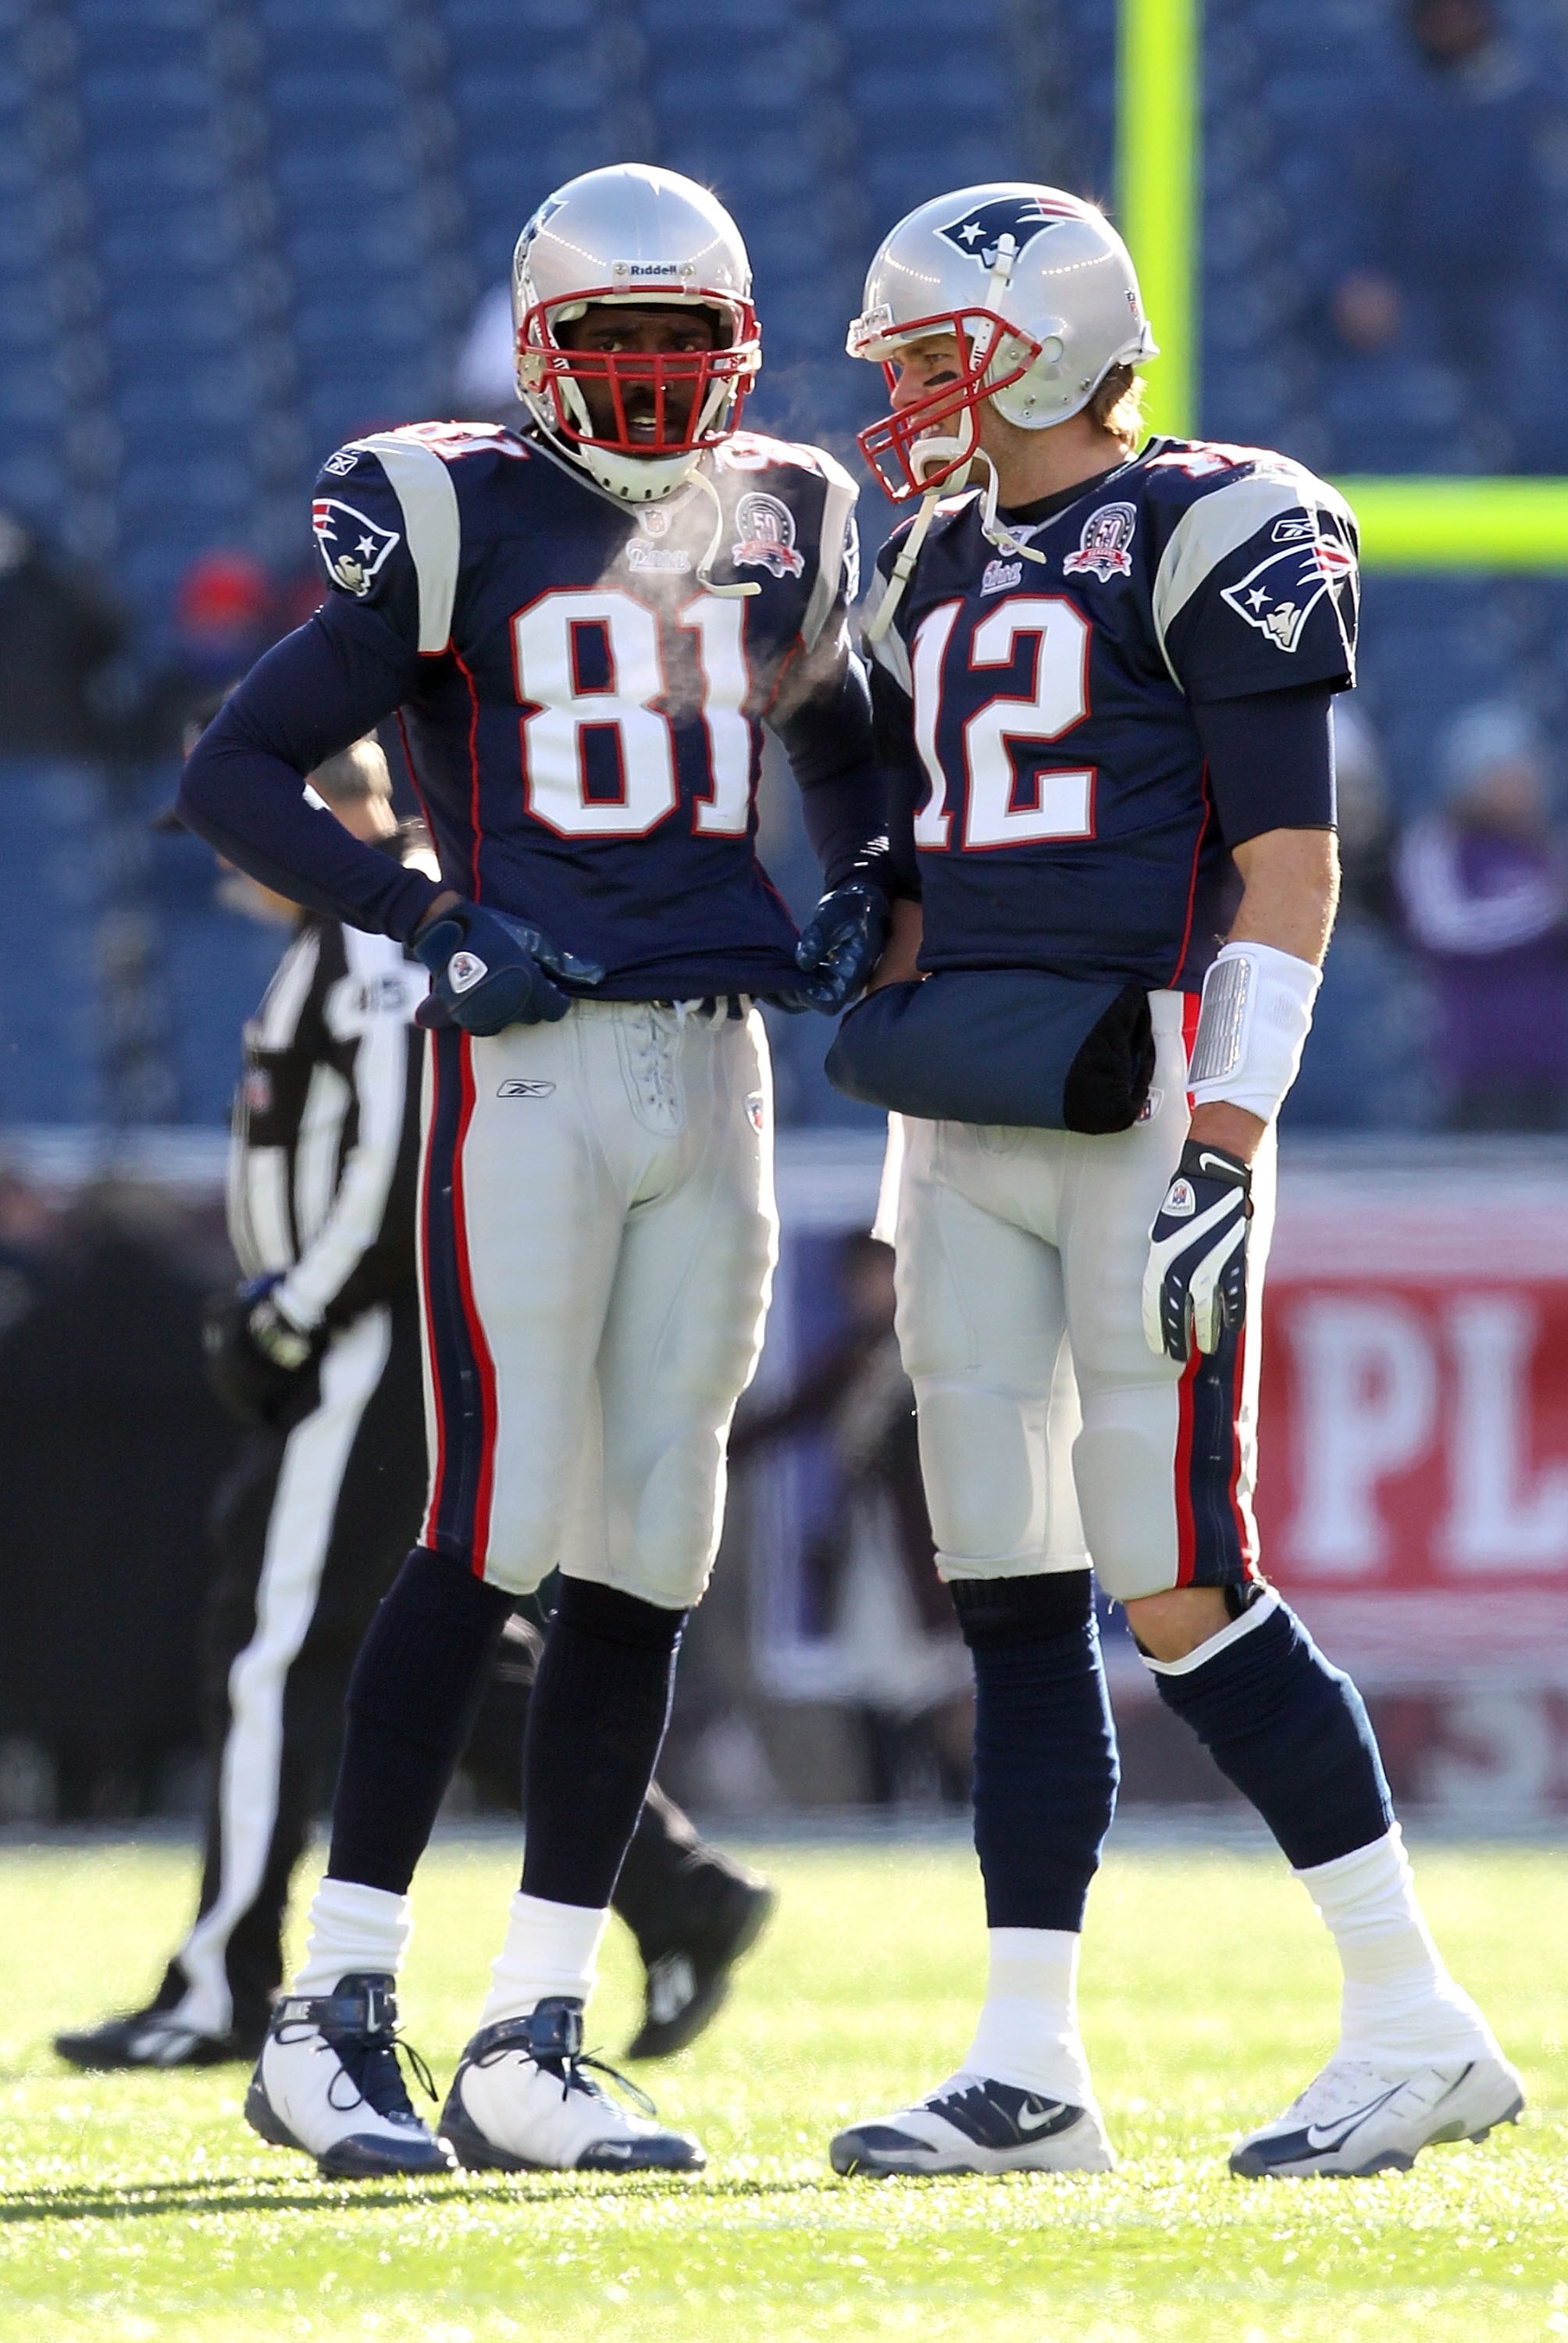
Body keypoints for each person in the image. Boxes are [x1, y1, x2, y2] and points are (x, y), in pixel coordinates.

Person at [176, 164, 889, 2179]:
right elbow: (231, 765)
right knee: (487, 1529)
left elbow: (832, 735)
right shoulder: (447, 506)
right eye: (618, 343)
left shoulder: (791, 512)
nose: (655, 387)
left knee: (655, 1542)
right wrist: (417, 910)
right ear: (538, 344)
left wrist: (866, 882)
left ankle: (533, 2030)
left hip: (719, 1063)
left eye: (687, 347)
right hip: (532, 1067)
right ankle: (332, 2013)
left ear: (737, 349)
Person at [825, 183, 1521, 2181]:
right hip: (962, 1099)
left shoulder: (1211, 519)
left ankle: (1411, 2017)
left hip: (1141, 1101)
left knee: (1178, 1573)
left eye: (929, 353)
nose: (903, 395)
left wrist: (1230, 1133)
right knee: (1008, 1585)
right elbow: (929, 818)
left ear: (1042, 339)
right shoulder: (928, 557)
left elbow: (1284, 867)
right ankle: (1024, 2060)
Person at [53, 736, 769, 2076]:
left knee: (269, 1645)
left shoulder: (379, 932)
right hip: (371, 1337)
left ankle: (225, 1978)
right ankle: (675, 1884)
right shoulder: (359, 932)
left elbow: (392, 1163)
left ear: (320, 815)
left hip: (367, 1345)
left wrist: (288, 1312)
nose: (222, 868)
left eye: (243, 833)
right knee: (432, 1648)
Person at [1396, 701, 1568, 1130]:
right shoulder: (1437, 845)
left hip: (1554, 1063)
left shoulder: (1546, 848)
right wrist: (1548, 907)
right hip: (1479, 1067)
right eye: (1505, 775)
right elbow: (1444, 928)